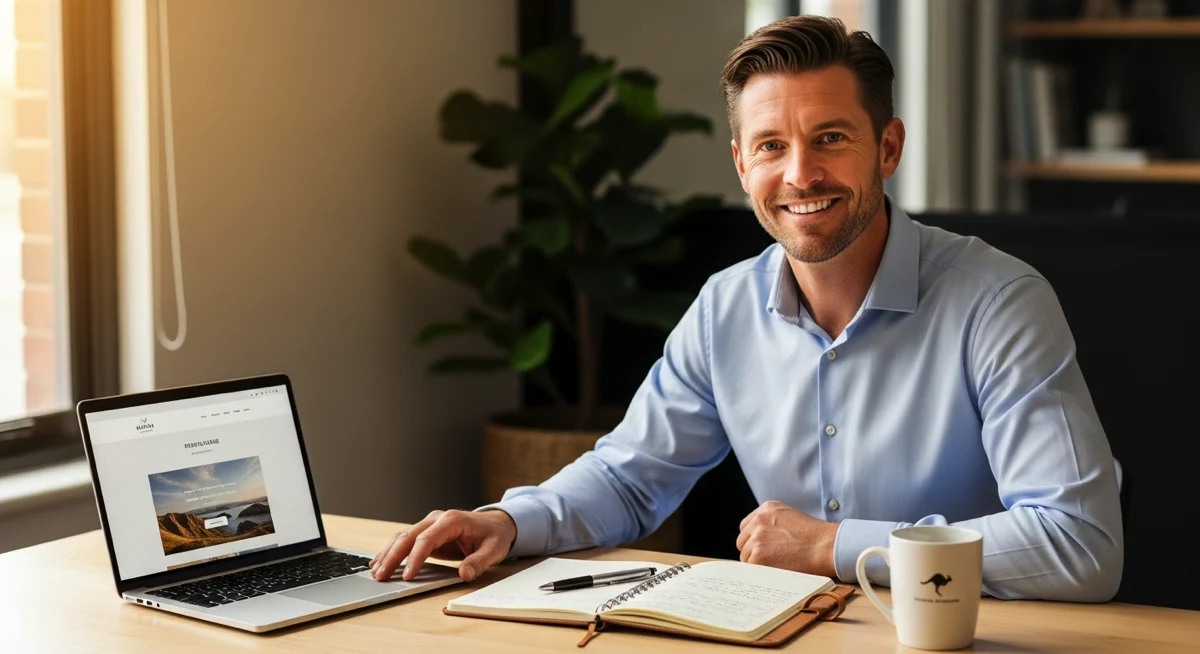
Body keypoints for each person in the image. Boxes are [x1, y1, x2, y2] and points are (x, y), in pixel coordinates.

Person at [369, 15, 1122, 602]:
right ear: (740, 163)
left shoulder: (999, 303)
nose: (800, 174)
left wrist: (833, 546)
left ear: (887, 147)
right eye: (770, 146)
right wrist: (508, 520)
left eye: (830, 137)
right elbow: (632, 479)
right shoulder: (726, 307)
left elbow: (1079, 546)